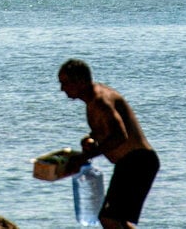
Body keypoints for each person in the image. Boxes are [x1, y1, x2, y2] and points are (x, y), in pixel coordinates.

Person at [59, 59, 159, 229]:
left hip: (137, 162)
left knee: (108, 219)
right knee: (118, 220)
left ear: (81, 81)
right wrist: (91, 138)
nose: (62, 88)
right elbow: (108, 129)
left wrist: (85, 156)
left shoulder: (100, 101)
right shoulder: (94, 98)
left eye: (65, 83)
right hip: (132, 163)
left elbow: (121, 136)